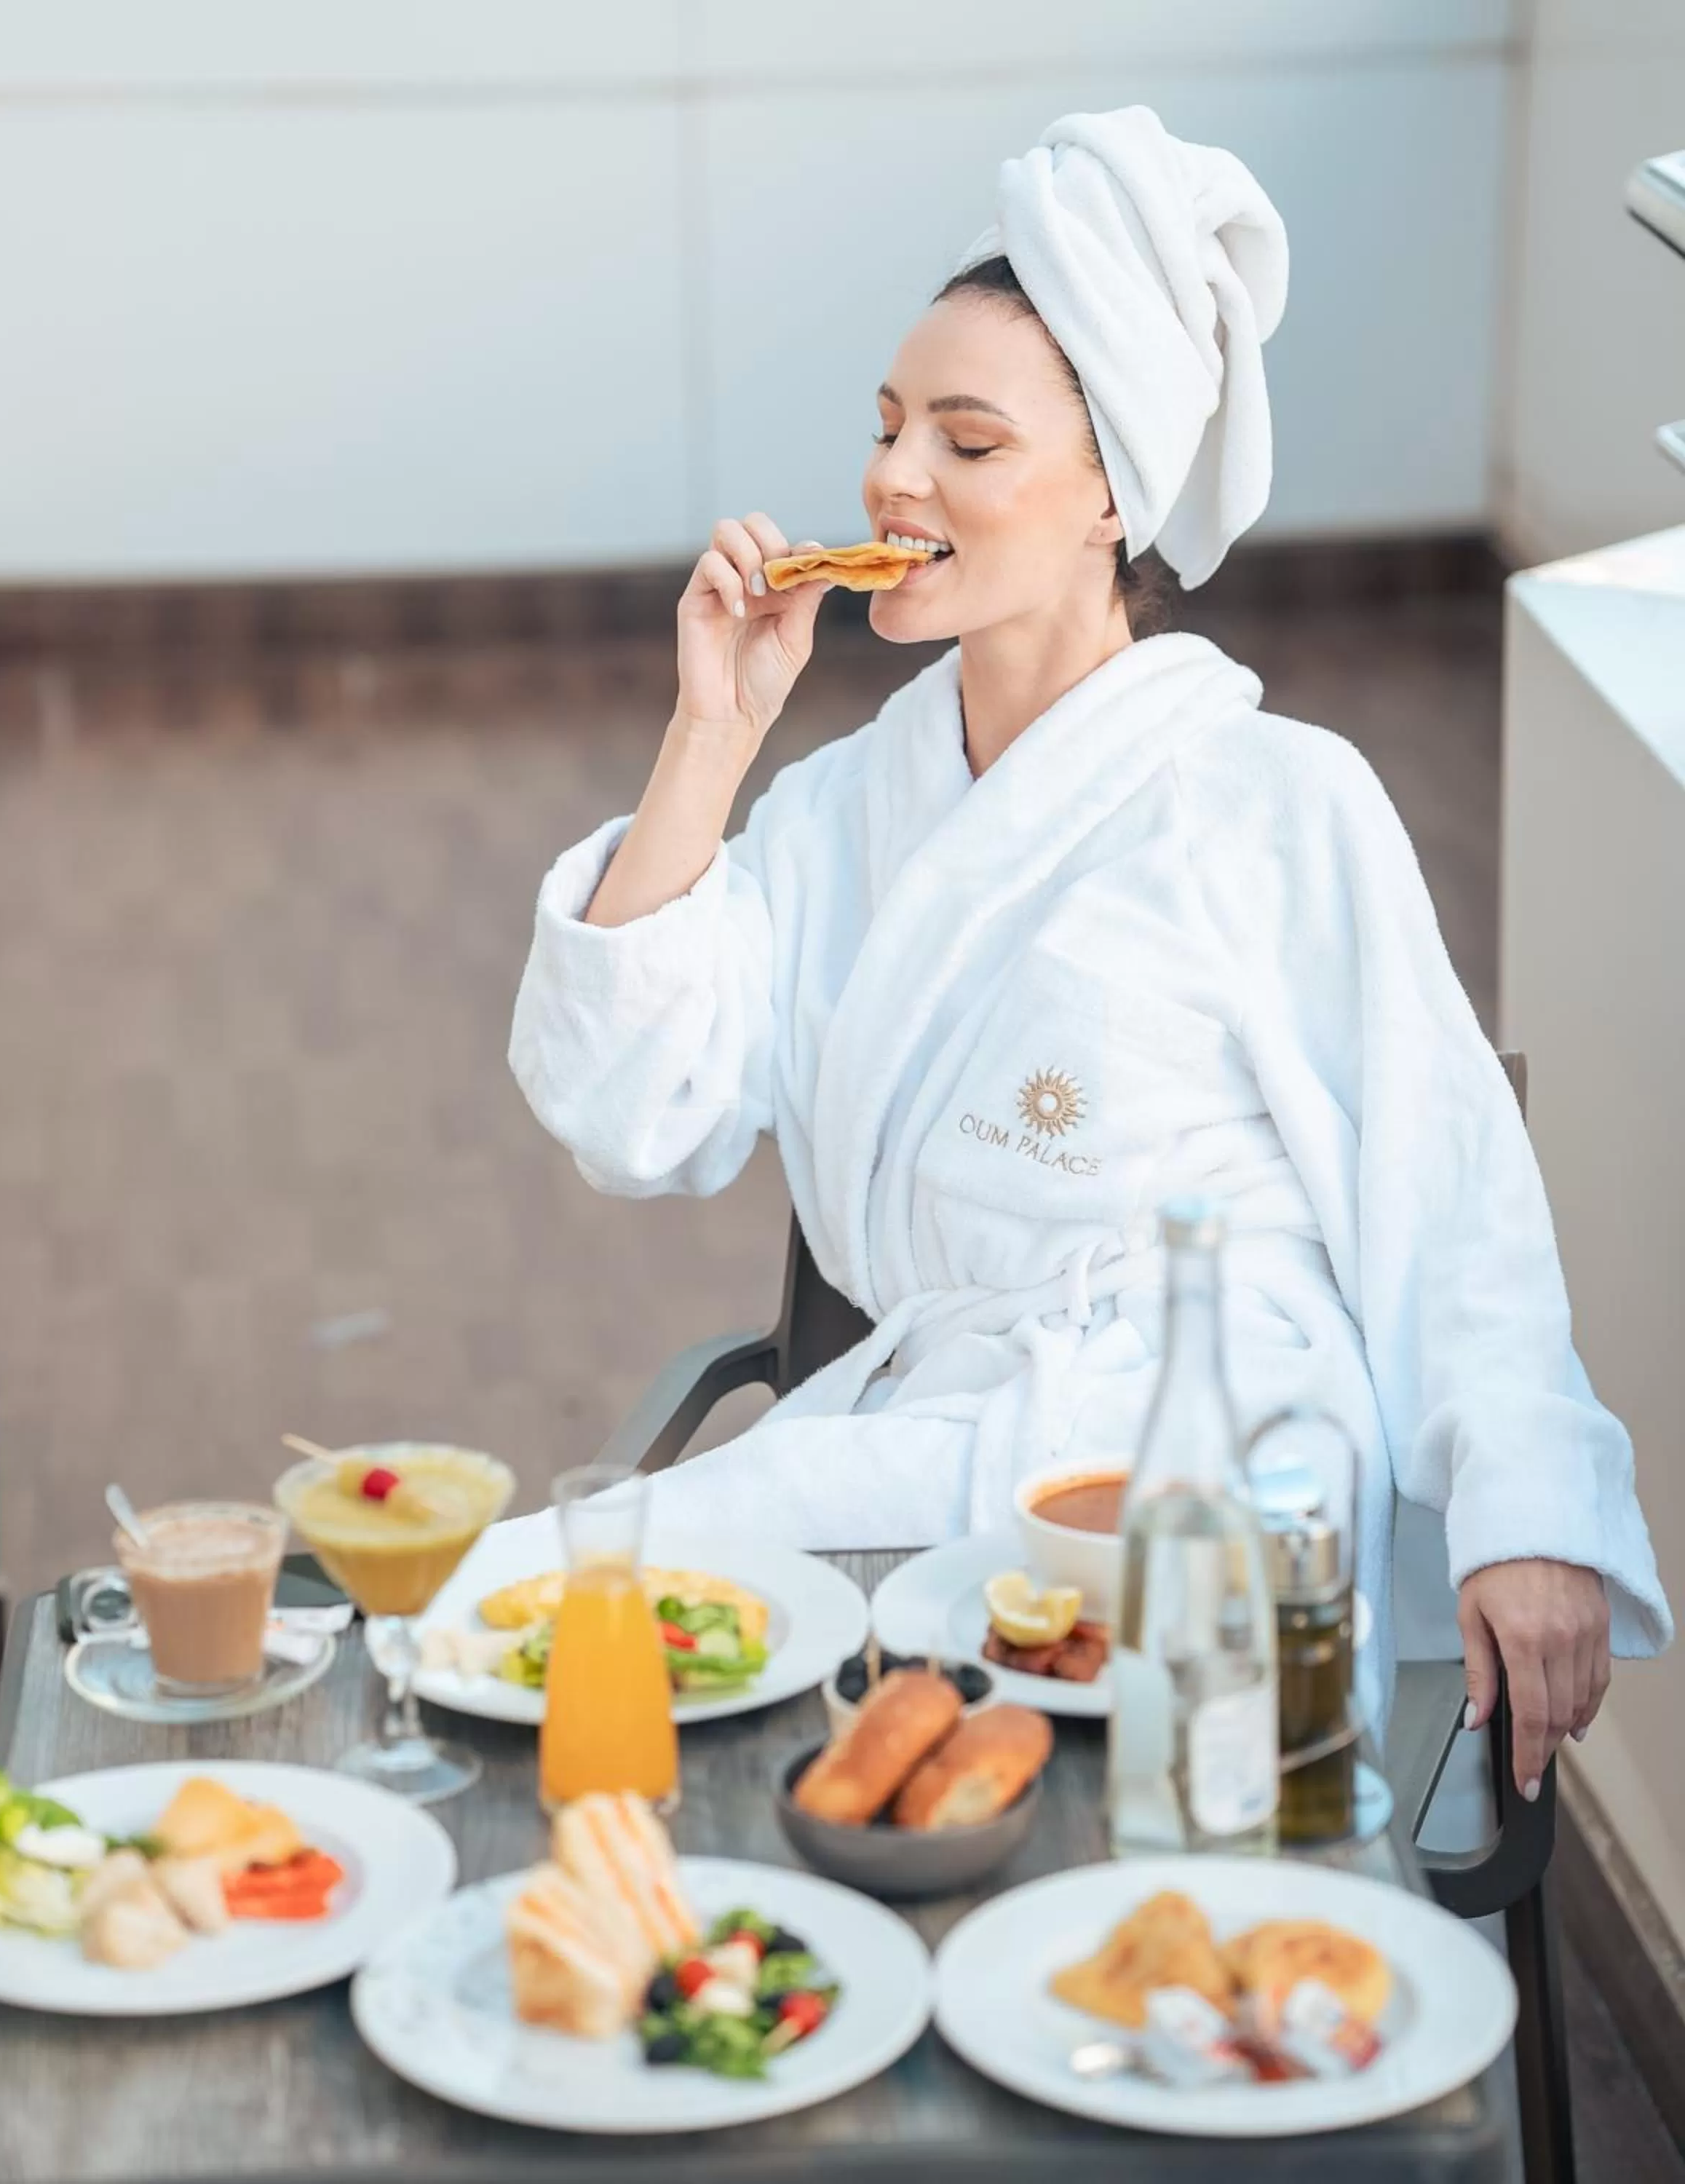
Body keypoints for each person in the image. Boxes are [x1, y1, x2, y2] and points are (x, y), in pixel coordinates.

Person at [504, 108, 1670, 1789]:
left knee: (660, 1635)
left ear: (1110, 492)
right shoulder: (841, 811)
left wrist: (1526, 1509)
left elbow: (1446, 1176)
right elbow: (630, 1115)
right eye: (891, 426)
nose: (895, 479)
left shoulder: (1274, 798)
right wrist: (712, 735)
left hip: (1210, 1458)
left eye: (967, 445)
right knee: (570, 1623)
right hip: (944, 1428)